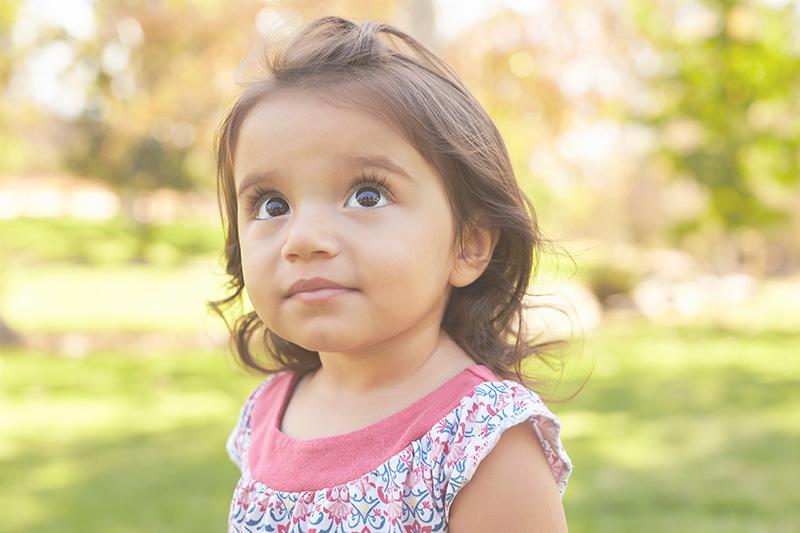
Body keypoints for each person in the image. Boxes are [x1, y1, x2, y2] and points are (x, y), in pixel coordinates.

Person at [209, 15, 575, 532]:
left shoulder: (480, 442)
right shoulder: (268, 412)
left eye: (367, 195)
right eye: (272, 205)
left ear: (468, 244)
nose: (304, 239)